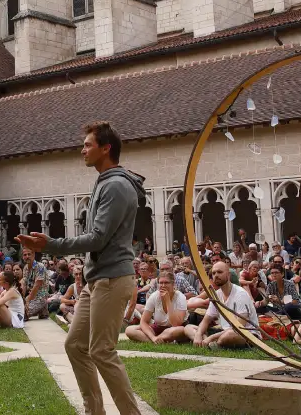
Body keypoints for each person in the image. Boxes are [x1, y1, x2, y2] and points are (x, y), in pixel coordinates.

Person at [16, 121, 143, 415]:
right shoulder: (105, 181)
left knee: (102, 351)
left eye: (87, 145)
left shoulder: (116, 185)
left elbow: (98, 238)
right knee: (75, 345)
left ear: (105, 148)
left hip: (113, 279)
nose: (82, 150)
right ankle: (94, 411)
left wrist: (50, 245)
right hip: (96, 280)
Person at [185, 261, 260, 348]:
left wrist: (211, 337)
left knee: (228, 335)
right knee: (188, 328)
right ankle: (208, 343)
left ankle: (212, 342)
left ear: (228, 275)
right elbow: (206, 320)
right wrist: (198, 334)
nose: (216, 275)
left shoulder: (240, 294)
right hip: (224, 331)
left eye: (219, 272)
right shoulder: (216, 295)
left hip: (246, 333)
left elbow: (239, 327)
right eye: (213, 273)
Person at [125, 270, 188, 344]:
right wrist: (152, 337)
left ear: (173, 284)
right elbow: (144, 321)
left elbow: (176, 324)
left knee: (176, 330)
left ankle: (158, 340)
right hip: (158, 328)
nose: (163, 285)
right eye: (161, 283)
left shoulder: (180, 297)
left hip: (174, 330)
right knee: (129, 330)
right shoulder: (154, 296)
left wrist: (167, 300)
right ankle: (156, 341)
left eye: (166, 283)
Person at [22, 247, 50, 319]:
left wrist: (27, 300)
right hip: (31, 296)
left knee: (22, 313)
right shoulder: (25, 268)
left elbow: (37, 285)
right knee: (19, 308)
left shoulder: (40, 267)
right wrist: (22, 299)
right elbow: (24, 284)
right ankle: (43, 311)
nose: (27, 256)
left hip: (40, 296)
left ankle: (42, 307)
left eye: (29, 254)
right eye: (25, 255)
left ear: (33, 255)